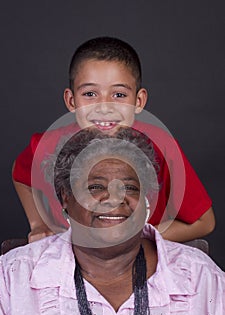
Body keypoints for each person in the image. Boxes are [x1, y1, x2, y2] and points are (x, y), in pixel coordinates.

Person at [0, 127, 224, 315]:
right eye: (95, 187)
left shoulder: (200, 276)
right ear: (65, 196)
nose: (115, 198)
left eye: (130, 187)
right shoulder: (14, 273)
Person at [12, 36, 215, 243]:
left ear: (138, 101)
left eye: (119, 95)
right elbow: (20, 175)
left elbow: (204, 222)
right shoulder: (48, 144)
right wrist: (38, 224)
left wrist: (137, 238)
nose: (104, 107)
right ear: (71, 101)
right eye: (90, 94)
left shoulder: (162, 146)